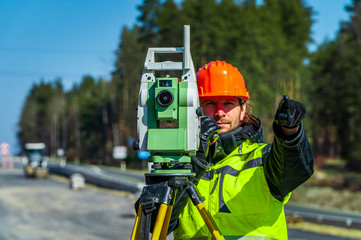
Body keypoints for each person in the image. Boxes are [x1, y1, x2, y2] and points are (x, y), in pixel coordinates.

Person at [167, 60, 314, 240]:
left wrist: (290, 132)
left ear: (243, 109)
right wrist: (194, 164)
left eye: (228, 103)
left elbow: (296, 167)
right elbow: (156, 223)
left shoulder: (264, 159)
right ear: (194, 110)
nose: (220, 112)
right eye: (210, 103)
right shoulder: (180, 163)